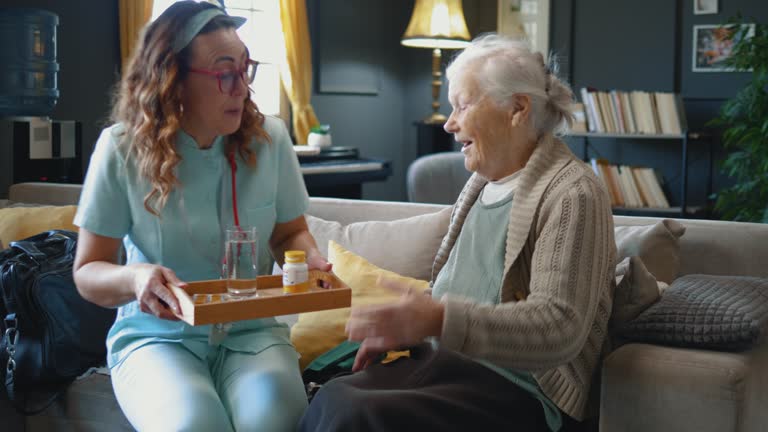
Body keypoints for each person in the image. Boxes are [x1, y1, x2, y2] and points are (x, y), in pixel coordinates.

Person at [299, 35, 616, 432]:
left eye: (462, 105)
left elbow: (558, 327)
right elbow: (461, 291)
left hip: (523, 392)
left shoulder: (573, 193)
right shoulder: (481, 184)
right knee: (328, 394)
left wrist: (434, 319)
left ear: (517, 108)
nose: (449, 123)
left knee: (355, 413)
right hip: (448, 367)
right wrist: (402, 331)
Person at [72, 2, 331, 431]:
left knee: (274, 419)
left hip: (252, 336)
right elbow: (87, 272)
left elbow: (289, 234)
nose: (242, 88)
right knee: (193, 424)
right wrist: (136, 278)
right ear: (172, 80)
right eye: (225, 72)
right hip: (157, 339)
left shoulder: (271, 139)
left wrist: (310, 260)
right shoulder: (120, 149)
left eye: (246, 69)